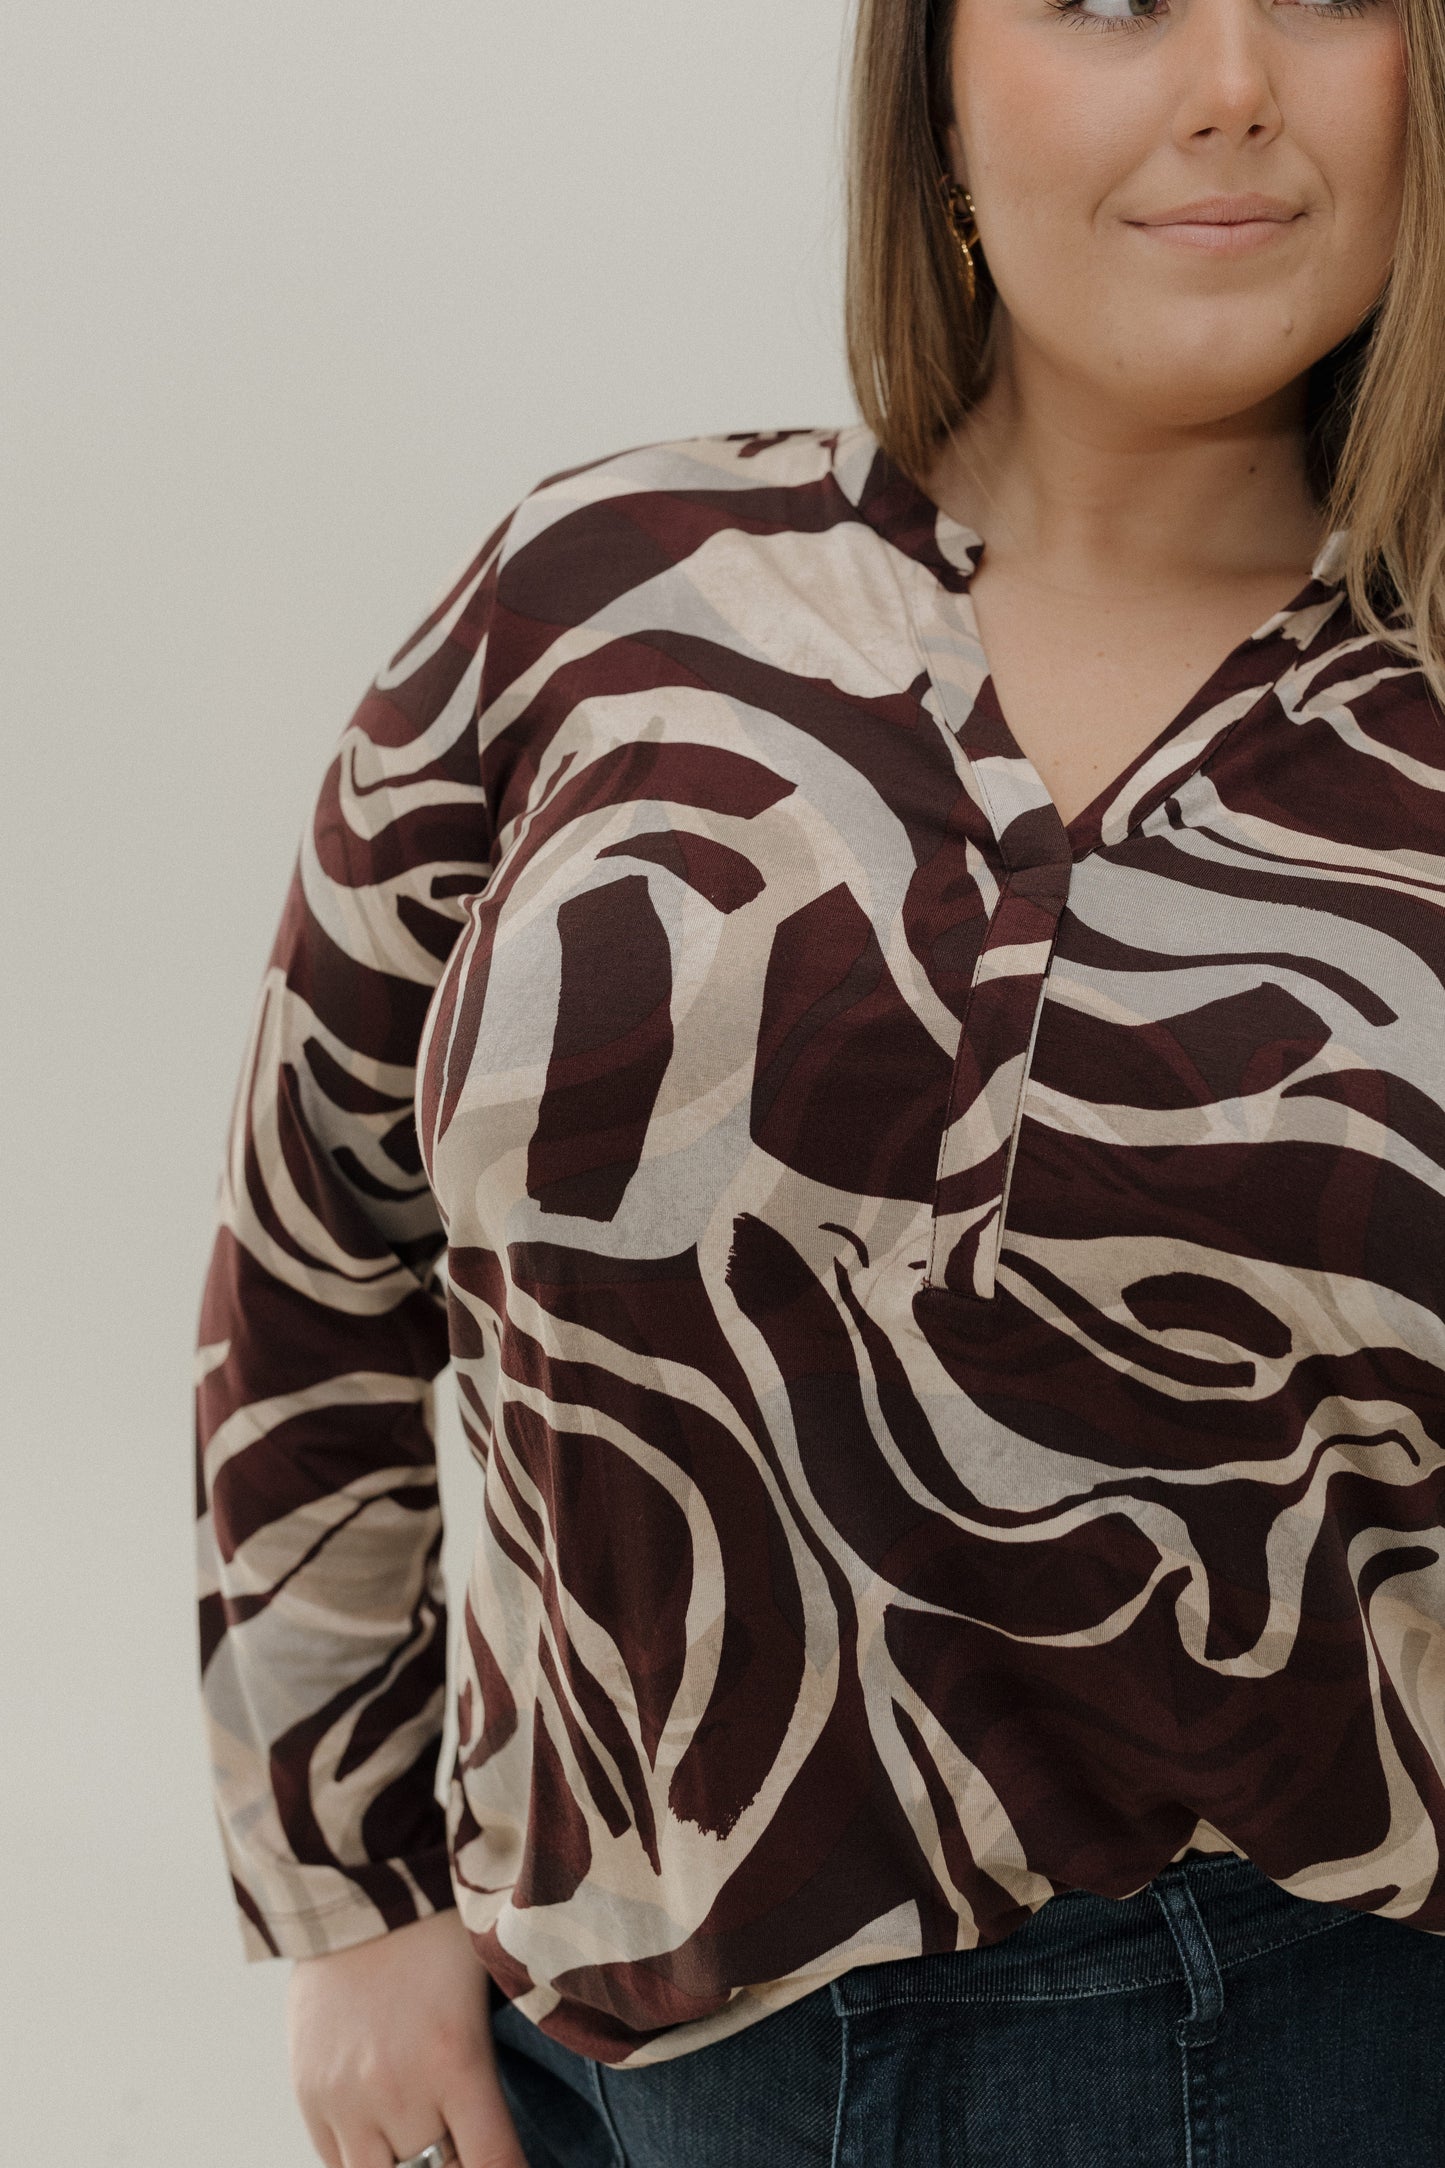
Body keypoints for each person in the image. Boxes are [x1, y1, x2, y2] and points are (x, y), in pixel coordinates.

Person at [195, 0, 1445, 2158]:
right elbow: (314, 1254)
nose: (1233, 78)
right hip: (578, 2038)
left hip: (1288, 2046)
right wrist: (352, 1899)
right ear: (937, 93)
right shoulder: (603, 594)